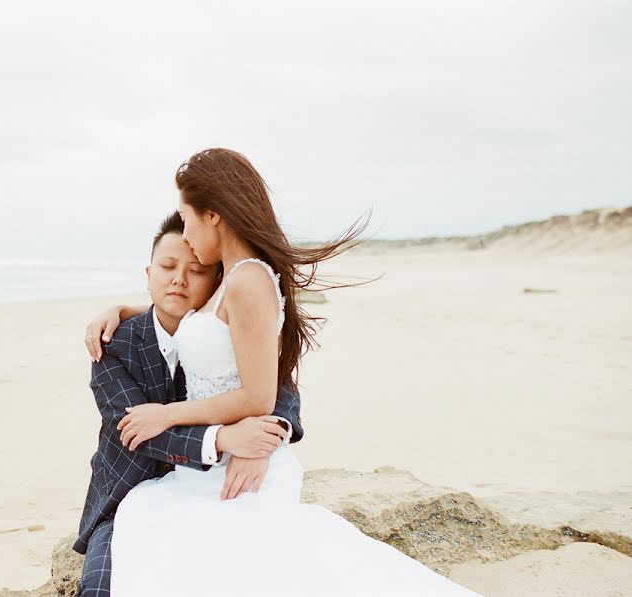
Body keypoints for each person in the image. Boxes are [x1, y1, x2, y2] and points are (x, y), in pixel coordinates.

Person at [91, 148, 479, 596]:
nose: (187, 235)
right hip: (202, 471)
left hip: (235, 469)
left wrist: (167, 414)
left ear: (213, 214)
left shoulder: (247, 279)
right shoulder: (231, 278)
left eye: (188, 217)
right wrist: (124, 310)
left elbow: (259, 398)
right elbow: (203, 324)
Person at [74, 211, 305, 596]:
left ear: (217, 282)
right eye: (167, 267)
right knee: (102, 589)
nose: (179, 279)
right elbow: (137, 432)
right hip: (130, 494)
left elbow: (277, 385)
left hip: (210, 490)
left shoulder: (217, 334)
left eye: (195, 270)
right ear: (148, 274)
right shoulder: (112, 346)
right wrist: (228, 439)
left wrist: (265, 437)